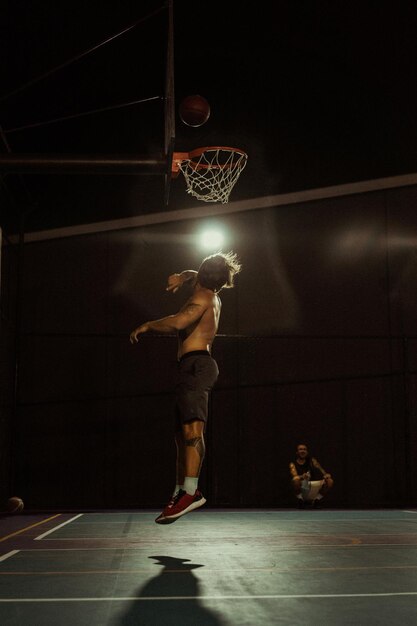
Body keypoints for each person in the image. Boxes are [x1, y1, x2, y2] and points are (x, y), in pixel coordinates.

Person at [129, 251, 241, 524]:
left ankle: (191, 492)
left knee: (192, 430)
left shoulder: (202, 297)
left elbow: (178, 322)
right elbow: (196, 276)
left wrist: (147, 325)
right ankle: (181, 488)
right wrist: (183, 275)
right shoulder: (210, 292)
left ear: (203, 274)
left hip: (197, 366)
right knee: (180, 434)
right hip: (190, 366)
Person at [289, 443, 334, 508]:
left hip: (313, 486)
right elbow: (294, 476)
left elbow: (321, 469)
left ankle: (317, 500)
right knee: (295, 480)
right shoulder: (293, 464)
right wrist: (302, 476)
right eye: (300, 449)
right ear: (297, 452)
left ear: (307, 452)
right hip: (303, 487)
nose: (303, 451)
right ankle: (301, 500)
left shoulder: (312, 460)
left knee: (330, 481)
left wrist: (326, 475)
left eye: (304, 449)